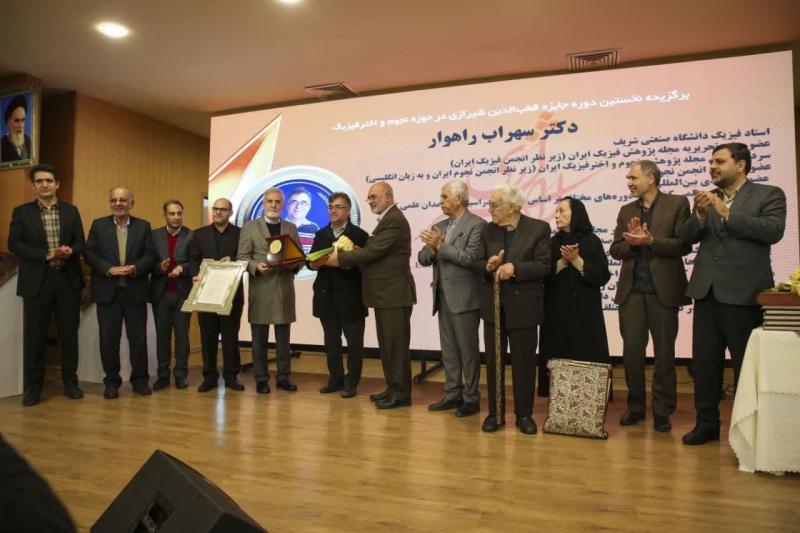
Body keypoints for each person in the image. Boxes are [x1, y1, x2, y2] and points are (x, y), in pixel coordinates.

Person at [682, 142, 786, 445]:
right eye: (711, 162)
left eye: (720, 161)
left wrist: (725, 212)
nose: (712, 166)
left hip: (745, 293)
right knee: (705, 364)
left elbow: (773, 231)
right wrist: (701, 215)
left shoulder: (769, 194)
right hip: (706, 292)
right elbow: (687, 238)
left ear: (740, 165)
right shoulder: (707, 199)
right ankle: (707, 424)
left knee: (745, 364)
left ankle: (746, 429)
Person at [610, 160, 691, 433]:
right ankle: (635, 407)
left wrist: (651, 241)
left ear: (651, 178)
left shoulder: (677, 204)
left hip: (663, 292)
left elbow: (684, 245)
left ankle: (662, 411)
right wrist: (632, 243)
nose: (629, 183)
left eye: (633, 178)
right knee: (632, 353)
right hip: (631, 293)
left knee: (664, 355)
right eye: (628, 178)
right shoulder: (626, 210)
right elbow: (615, 250)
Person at [327, 182, 417, 409]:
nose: (370, 201)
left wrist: (341, 258)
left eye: (374, 197)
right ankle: (392, 388)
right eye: (369, 197)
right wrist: (359, 252)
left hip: (394, 294)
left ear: (388, 197)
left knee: (395, 347)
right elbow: (375, 251)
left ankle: (401, 394)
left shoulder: (394, 220)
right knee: (388, 347)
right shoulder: (388, 219)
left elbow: (374, 252)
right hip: (386, 295)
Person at [7, 164, 85, 406]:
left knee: (69, 335)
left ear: (57, 184)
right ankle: (34, 388)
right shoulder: (22, 212)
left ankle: (71, 384)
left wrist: (70, 250)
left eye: (49, 180)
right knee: (35, 337)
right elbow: (14, 244)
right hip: (37, 282)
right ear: (33, 186)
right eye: (39, 181)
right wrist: (46, 255)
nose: (44, 184)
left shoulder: (71, 211)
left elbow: (81, 243)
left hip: (67, 280)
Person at [475, 184, 550, 434]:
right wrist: (489, 266)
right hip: (494, 308)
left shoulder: (538, 228)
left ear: (512, 207)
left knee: (524, 364)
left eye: (494, 205)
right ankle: (495, 414)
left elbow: (544, 265)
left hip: (524, 307)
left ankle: (524, 415)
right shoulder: (487, 230)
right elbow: (477, 262)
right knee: (493, 363)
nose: (490, 209)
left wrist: (515, 268)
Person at [417, 180, 485, 417]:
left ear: (459, 199)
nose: (441, 201)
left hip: (465, 299)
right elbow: (423, 258)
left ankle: (471, 397)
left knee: (468, 351)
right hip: (443, 297)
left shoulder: (477, 225)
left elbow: (470, 258)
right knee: (449, 351)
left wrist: (441, 246)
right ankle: (453, 393)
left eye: (445, 197)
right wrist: (432, 249)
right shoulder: (440, 226)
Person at [84, 187, 156, 399]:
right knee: (108, 339)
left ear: (131, 203)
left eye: (123, 200)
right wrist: (109, 268)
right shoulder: (98, 225)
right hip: (108, 292)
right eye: (114, 200)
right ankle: (111, 382)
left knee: (138, 339)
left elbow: (150, 255)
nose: (118, 203)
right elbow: (89, 253)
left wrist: (135, 268)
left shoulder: (143, 226)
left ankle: (140, 381)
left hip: (135, 291)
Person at [539, 196, 611, 393]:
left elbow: (602, 276)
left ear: (576, 214)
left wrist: (577, 260)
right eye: (556, 211)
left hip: (585, 311)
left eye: (562, 211)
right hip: (556, 310)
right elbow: (542, 274)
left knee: (586, 353)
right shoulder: (551, 242)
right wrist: (563, 262)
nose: (556, 215)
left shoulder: (592, 241)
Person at [237, 187, 302, 394]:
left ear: (282, 205)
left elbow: (299, 258)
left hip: (284, 289)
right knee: (259, 340)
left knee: (283, 340)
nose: (273, 205)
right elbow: (242, 258)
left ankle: (283, 378)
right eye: (270, 201)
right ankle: (261, 379)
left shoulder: (291, 227)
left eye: (277, 202)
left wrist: (294, 264)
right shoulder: (250, 227)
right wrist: (255, 266)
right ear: (264, 204)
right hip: (261, 289)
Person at [307, 192, 369, 398]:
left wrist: (347, 261)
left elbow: (366, 266)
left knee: (354, 345)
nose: (333, 211)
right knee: (331, 343)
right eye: (331, 207)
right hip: (326, 298)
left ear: (348, 210)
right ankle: (335, 379)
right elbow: (310, 261)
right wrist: (315, 263)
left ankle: (352, 383)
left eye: (338, 207)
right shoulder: (321, 233)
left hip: (351, 299)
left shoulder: (360, 235)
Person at [188, 198, 245, 392]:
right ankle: (209, 377)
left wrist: (233, 260)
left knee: (230, 337)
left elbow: (246, 257)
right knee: (208, 337)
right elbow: (193, 259)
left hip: (232, 294)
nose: (218, 212)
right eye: (215, 209)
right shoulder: (199, 234)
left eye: (223, 209)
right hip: (206, 294)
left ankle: (231, 376)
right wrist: (195, 274)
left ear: (230, 213)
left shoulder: (240, 234)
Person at [149, 200, 193, 390]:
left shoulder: (192, 235)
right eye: (172, 213)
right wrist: (159, 267)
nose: (176, 217)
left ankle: (181, 375)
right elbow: (147, 261)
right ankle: (163, 375)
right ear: (165, 215)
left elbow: (196, 262)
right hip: (160, 294)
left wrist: (183, 268)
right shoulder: (154, 235)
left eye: (179, 213)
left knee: (182, 337)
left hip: (183, 293)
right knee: (162, 337)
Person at [285, 187, 320, 252]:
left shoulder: (315, 229)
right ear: (287, 205)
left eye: (303, 203)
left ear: (309, 207)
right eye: (294, 202)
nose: (298, 206)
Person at [1, 95, 32, 162]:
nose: (21, 126)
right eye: (17, 121)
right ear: (8, 122)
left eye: (23, 120)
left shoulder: (28, 141)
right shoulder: (2, 144)